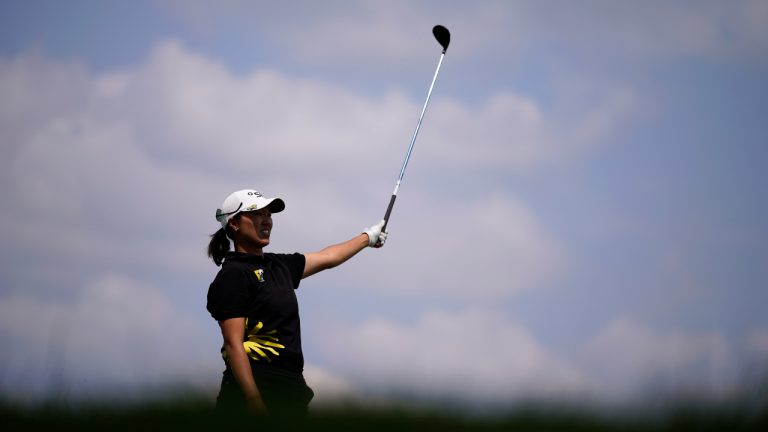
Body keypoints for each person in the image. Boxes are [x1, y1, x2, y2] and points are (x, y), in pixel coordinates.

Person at [206, 189, 387, 418]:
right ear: (233, 224)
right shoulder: (234, 275)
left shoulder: (278, 266)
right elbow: (233, 345)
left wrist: (368, 237)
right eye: (256, 214)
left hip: (291, 387)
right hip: (254, 386)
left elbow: (328, 257)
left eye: (269, 214)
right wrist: (252, 399)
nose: (266, 220)